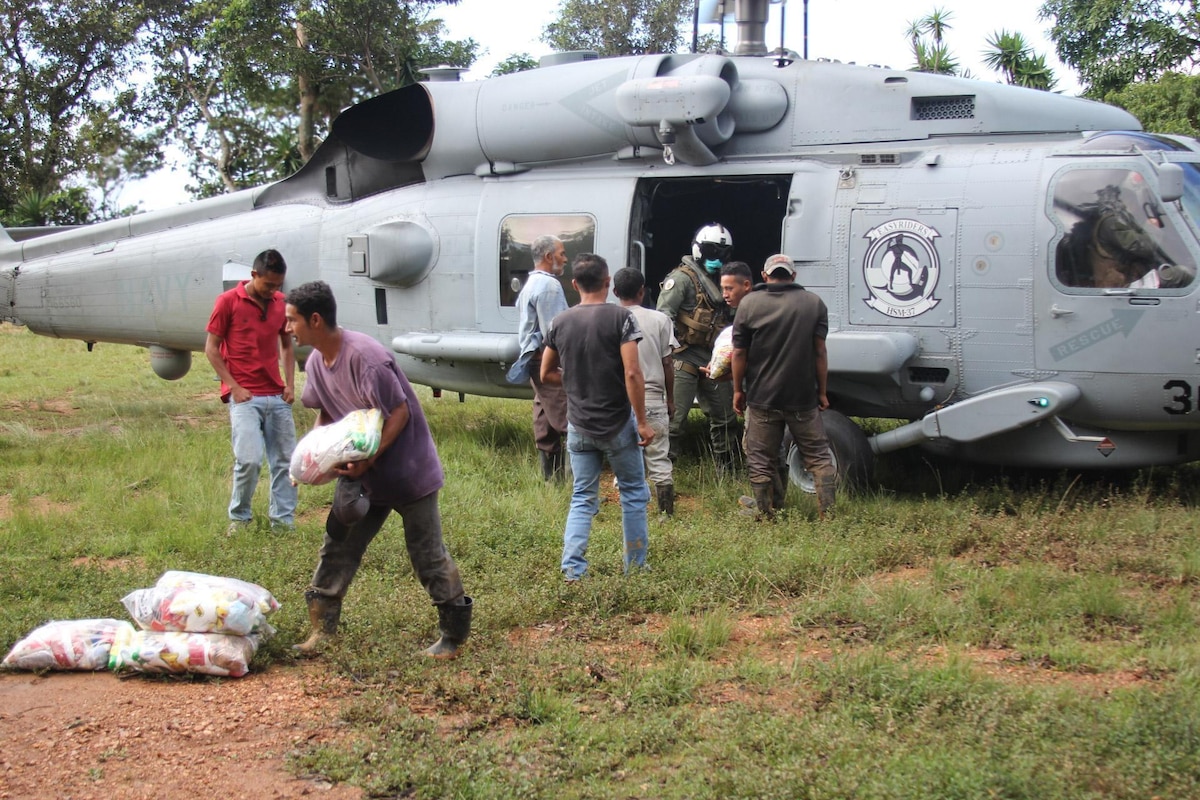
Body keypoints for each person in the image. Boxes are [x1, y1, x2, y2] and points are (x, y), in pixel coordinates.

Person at [284, 281, 471, 658]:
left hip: (408, 473)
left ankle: (452, 637)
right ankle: (322, 631)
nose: (288, 328)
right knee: (337, 546)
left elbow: (398, 412)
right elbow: (326, 414)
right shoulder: (319, 362)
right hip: (361, 477)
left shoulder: (367, 358)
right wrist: (312, 456)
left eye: (292, 320)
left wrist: (369, 459)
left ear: (315, 320)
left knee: (426, 553)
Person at [541, 254, 655, 581]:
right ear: (608, 282)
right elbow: (632, 372)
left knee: (582, 497)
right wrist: (643, 422)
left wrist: (576, 380)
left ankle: (573, 569)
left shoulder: (560, 322)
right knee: (633, 492)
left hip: (578, 425)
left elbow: (546, 372)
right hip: (618, 423)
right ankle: (635, 567)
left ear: (574, 284)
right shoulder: (621, 318)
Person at [731, 254, 836, 520]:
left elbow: (739, 354)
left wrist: (737, 390)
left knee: (760, 459)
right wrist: (821, 391)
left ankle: (767, 514)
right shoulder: (814, 304)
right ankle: (828, 516)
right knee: (819, 457)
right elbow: (820, 352)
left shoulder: (749, 304)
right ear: (793, 276)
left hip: (762, 397)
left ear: (765, 276)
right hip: (803, 398)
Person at [204, 249, 298, 533]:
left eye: (278, 286)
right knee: (248, 460)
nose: (273, 291)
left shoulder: (281, 303)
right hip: (245, 397)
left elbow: (286, 345)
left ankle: (283, 523)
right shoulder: (227, 302)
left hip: (276, 395)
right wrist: (234, 387)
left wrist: (290, 384)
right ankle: (240, 519)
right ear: (253, 275)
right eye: (268, 285)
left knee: (285, 463)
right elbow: (211, 349)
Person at [657, 222, 739, 475]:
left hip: (715, 358)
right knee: (675, 421)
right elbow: (663, 318)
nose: (717, 259)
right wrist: (668, 355)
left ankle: (727, 471)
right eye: (712, 252)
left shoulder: (722, 284)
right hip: (684, 357)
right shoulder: (680, 280)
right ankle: (663, 475)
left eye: (722, 254)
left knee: (725, 418)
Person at [613, 267, 677, 515]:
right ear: (643, 291)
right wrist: (670, 398)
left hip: (621, 400)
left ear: (615, 292)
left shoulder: (612, 318)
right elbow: (668, 363)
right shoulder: (661, 320)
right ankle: (665, 514)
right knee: (660, 457)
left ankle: (629, 511)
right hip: (653, 399)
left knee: (624, 456)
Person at [508, 234, 570, 481]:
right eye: (562, 254)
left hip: (533, 358)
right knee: (570, 420)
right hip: (547, 358)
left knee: (544, 417)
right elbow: (555, 332)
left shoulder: (530, 285)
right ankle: (578, 486)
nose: (566, 259)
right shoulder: (549, 285)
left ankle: (551, 482)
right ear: (548, 256)